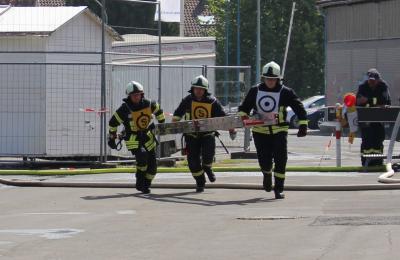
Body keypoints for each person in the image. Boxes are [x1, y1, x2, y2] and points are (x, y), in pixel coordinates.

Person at [238, 61, 307, 199]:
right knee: (264, 159)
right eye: (267, 78)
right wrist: (243, 116)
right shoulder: (255, 90)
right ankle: (267, 175)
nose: (270, 81)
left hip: (279, 130)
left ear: (278, 79)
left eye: (273, 79)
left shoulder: (286, 92)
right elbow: (243, 108)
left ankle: (279, 188)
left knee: (281, 159)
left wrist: (303, 124)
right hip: (259, 131)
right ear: (263, 78)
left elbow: (299, 108)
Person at [172, 75, 235, 192]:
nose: (198, 91)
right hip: (191, 136)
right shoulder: (187, 100)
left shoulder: (213, 102)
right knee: (193, 163)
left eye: (201, 89)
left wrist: (231, 128)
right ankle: (200, 182)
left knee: (208, 156)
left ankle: (207, 168)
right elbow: (177, 114)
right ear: (192, 89)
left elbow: (223, 117)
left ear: (205, 90)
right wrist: (174, 122)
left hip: (208, 135)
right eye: (196, 88)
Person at [108, 81, 165, 194]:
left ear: (142, 94)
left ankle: (146, 184)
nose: (136, 97)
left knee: (153, 168)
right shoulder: (124, 109)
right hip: (133, 138)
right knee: (142, 158)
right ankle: (140, 181)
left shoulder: (149, 104)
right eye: (134, 95)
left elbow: (159, 111)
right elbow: (113, 123)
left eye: (138, 94)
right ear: (129, 96)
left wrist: (162, 123)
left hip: (148, 137)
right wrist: (112, 138)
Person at [356, 68, 391, 166]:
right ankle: (366, 162)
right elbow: (358, 101)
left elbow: (384, 101)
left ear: (378, 80)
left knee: (378, 139)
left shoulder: (383, 86)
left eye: (374, 81)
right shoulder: (362, 87)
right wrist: (375, 102)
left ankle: (378, 162)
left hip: (379, 119)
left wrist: (367, 100)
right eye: (370, 80)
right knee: (367, 140)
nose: (372, 83)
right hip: (365, 120)